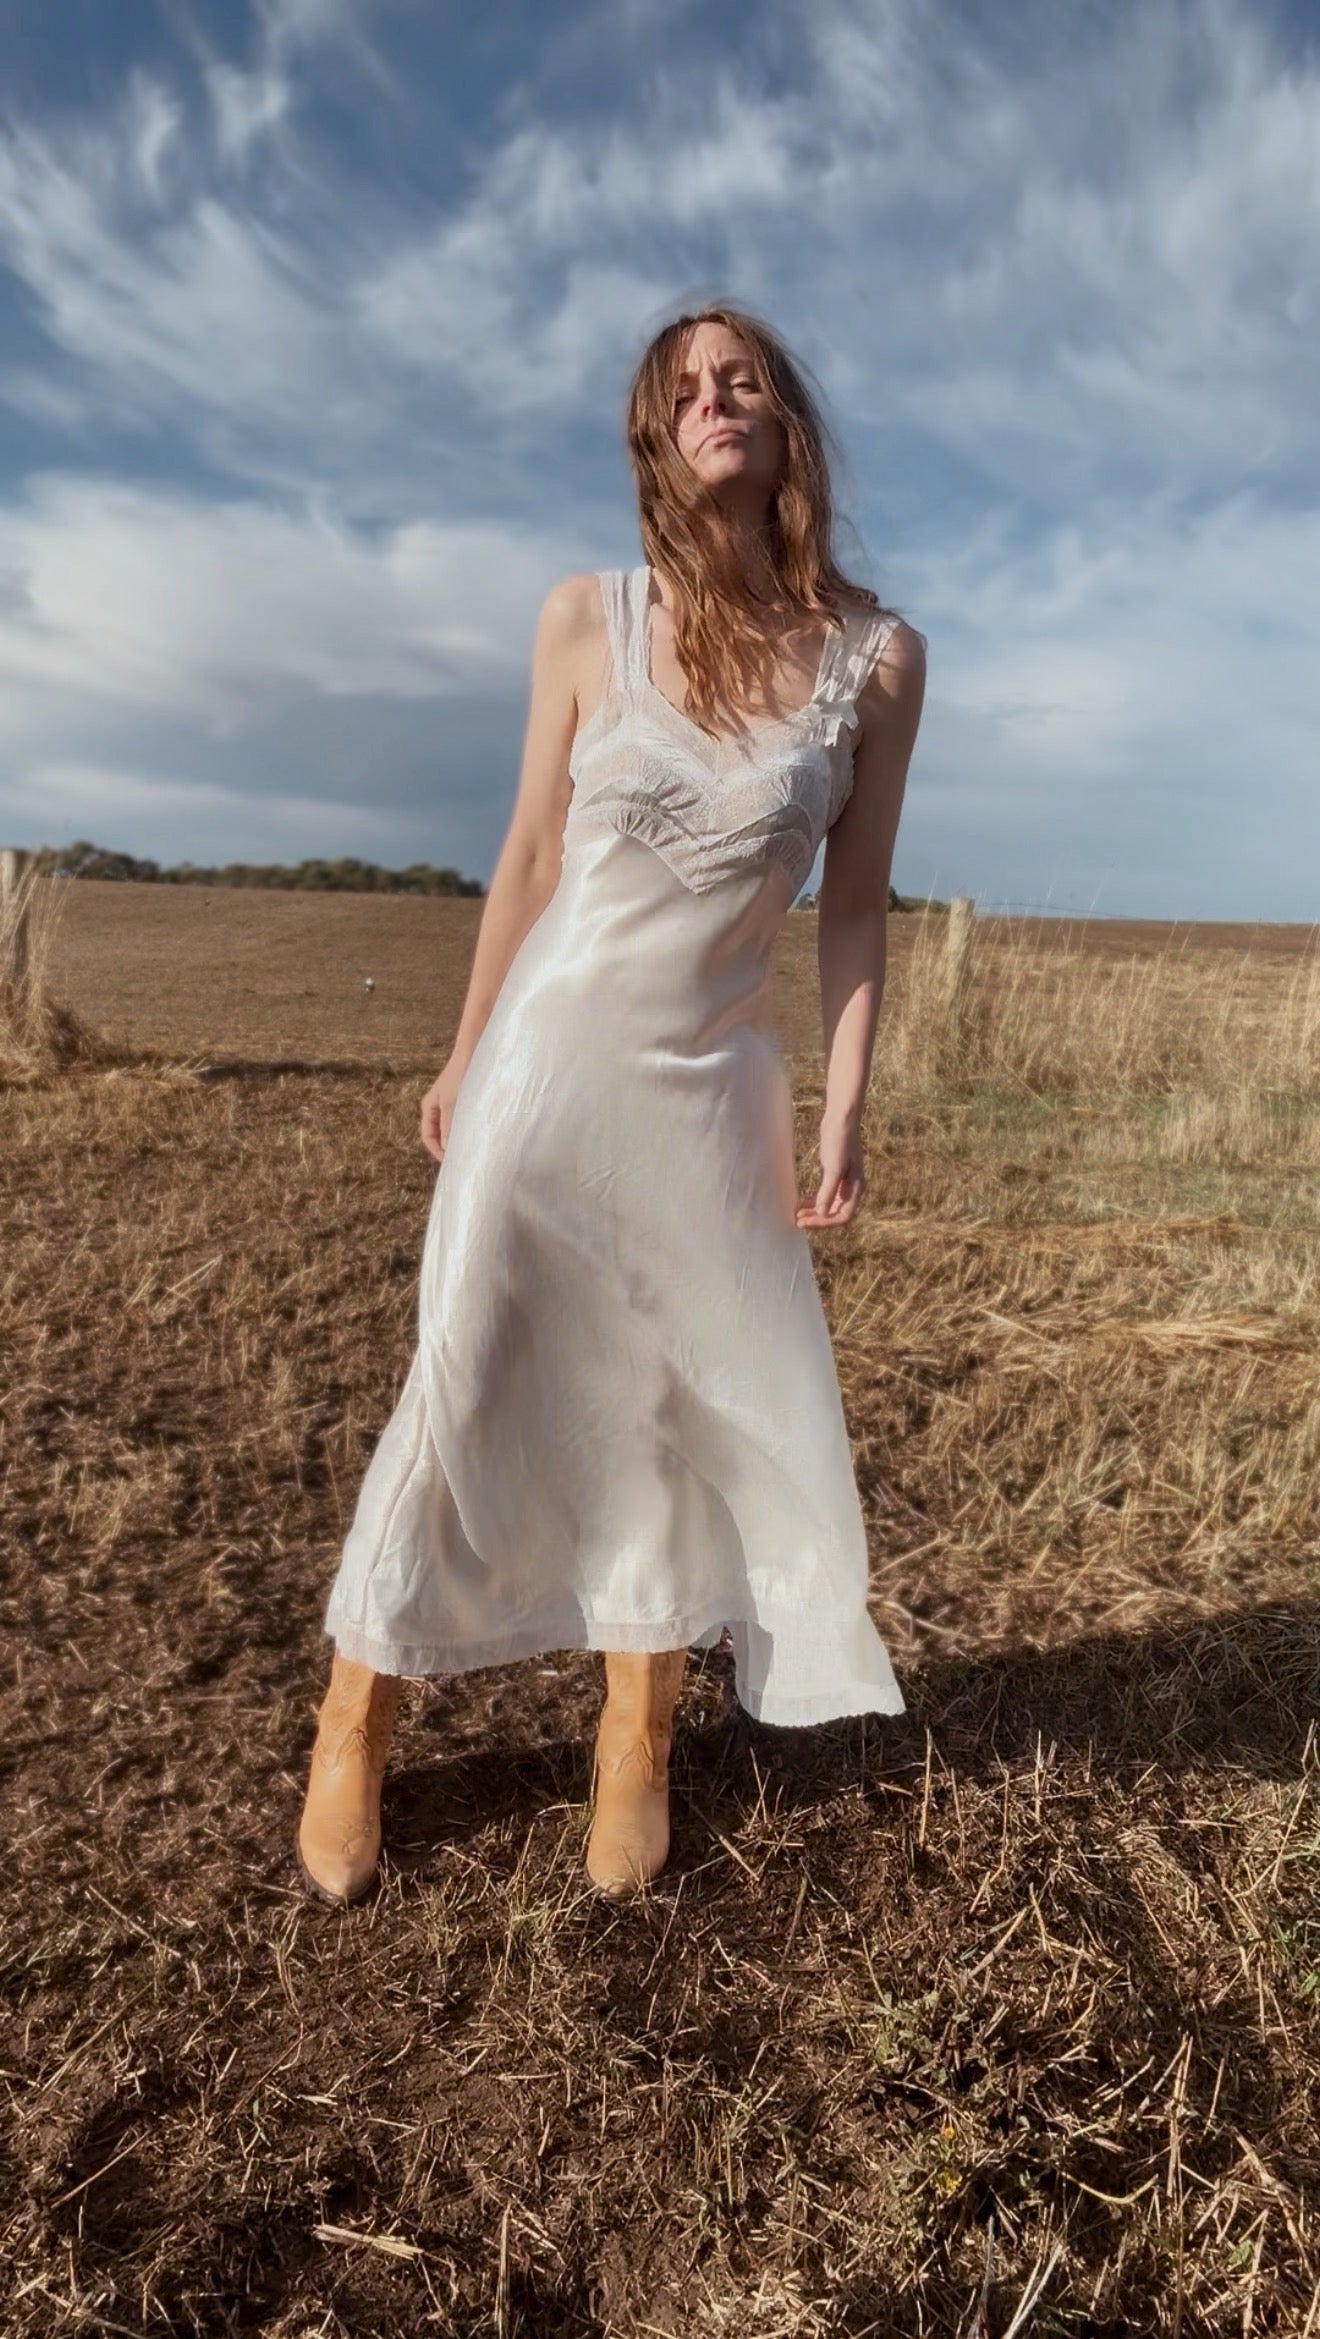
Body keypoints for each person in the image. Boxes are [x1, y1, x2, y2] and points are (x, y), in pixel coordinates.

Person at [296, 301, 928, 1907]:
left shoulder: (880, 661)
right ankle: (355, 1711)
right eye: (685, 388)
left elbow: (854, 907)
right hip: (544, 1070)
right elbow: (524, 858)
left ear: (786, 422)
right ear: (659, 439)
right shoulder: (589, 616)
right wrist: (457, 1051)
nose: (718, 398)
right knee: (469, 1362)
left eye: (745, 377)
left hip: (712, 1093)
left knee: (657, 1401)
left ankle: (636, 1728)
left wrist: (848, 1102)